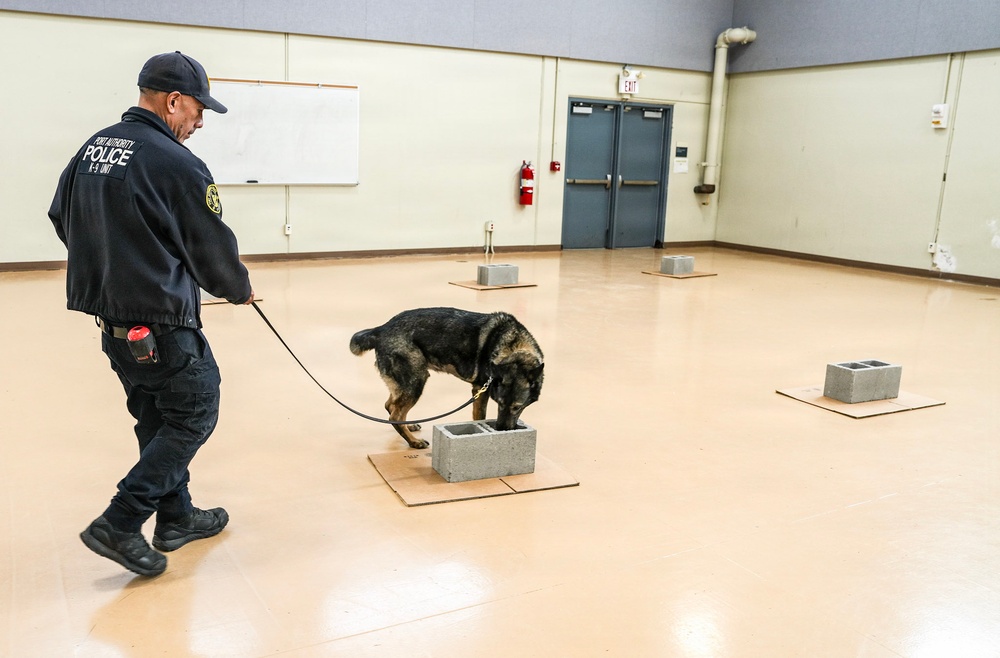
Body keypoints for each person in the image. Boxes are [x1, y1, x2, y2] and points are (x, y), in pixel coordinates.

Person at [48, 51, 254, 577]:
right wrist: (238, 289)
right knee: (195, 410)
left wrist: (114, 268)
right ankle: (121, 520)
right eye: (197, 109)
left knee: (156, 416)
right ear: (173, 100)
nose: (200, 121)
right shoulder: (177, 163)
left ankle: (177, 517)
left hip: (114, 323)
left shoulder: (95, 147)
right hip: (161, 322)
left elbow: (60, 215)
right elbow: (209, 244)